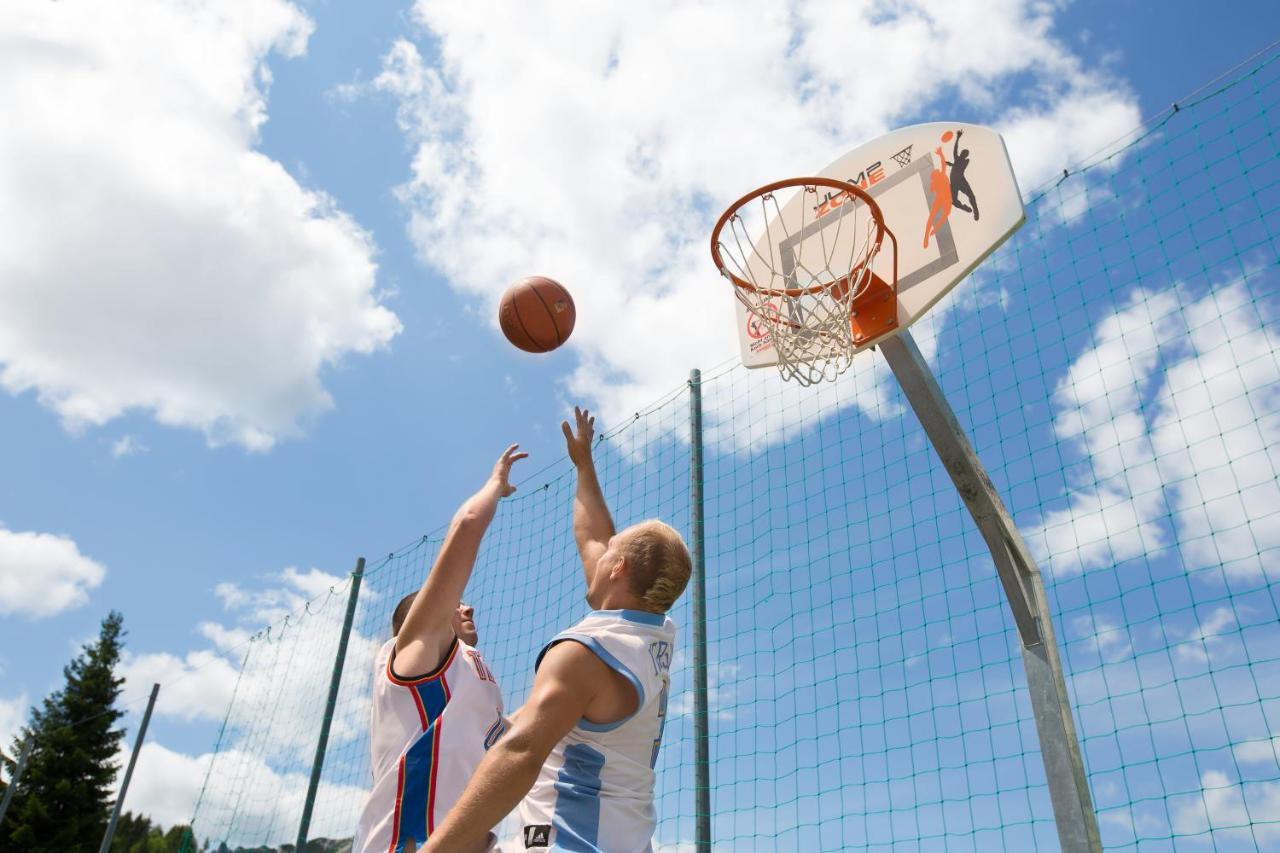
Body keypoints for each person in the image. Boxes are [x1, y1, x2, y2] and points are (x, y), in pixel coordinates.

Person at [425, 407, 693, 853]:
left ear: (619, 568)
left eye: (612, 551)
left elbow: (521, 752)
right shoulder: (654, 633)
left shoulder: (588, 652)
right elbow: (595, 541)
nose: (600, 551)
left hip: (570, 842)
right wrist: (584, 465)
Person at [353, 444, 527, 853]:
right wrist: (494, 486)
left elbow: (514, 735)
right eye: (453, 602)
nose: (466, 604)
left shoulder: (475, 683)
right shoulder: (412, 658)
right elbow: (466, 525)